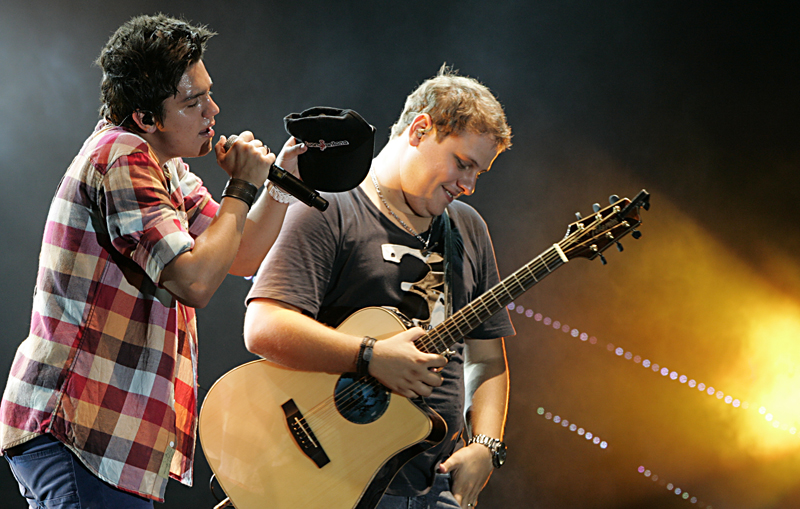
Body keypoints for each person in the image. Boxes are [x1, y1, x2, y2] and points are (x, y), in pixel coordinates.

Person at [0, 14, 304, 507]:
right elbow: (195, 282)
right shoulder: (123, 155)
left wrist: (277, 183)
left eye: (208, 93)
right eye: (193, 102)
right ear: (145, 117)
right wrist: (242, 187)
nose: (213, 110)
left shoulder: (166, 166)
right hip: (82, 429)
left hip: (106, 436)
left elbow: (241, 252)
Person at [243, 65, 514, 509]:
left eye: (479, 173)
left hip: (436, 486)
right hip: (334, 480)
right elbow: (263, 326)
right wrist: (370, 356)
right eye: (463, 164)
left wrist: (486, 445)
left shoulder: (469, 229)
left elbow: (486, 360)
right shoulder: (327, 206)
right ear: (419, 129)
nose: (467, 186)